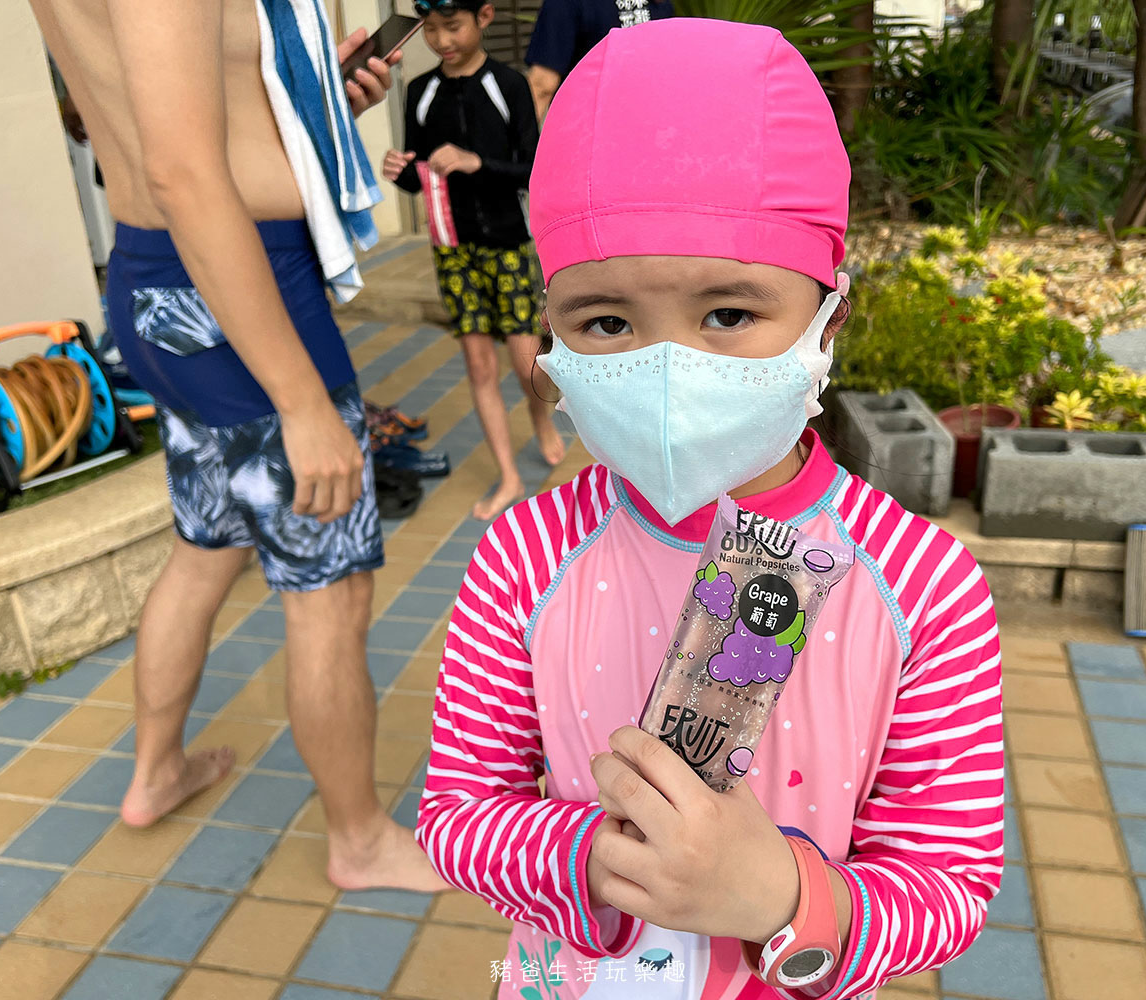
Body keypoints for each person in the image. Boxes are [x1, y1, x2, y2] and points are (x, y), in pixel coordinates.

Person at [415, 18, 1004, 998]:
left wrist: (780, 894)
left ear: (829, 320)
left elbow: (951, 882)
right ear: (549, 329)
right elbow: (457, 814)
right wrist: (591, 860)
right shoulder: (523, 557)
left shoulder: (923, 587)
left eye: (728, 314)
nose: (671, 368)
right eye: (606, 321)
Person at [27, 0, 446, 893]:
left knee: (206, 544)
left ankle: (155, 773)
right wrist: (301, 400)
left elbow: (174, 103)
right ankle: (360, 841)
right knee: (331, 591)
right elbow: (184, 171)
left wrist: (312, 88)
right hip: (234, 287)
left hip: (159, 279)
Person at [382, 0, 562, 521]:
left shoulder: (507, 85)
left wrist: (475, 162)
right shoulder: (421, 91)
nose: (441, 41)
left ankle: (543, 424)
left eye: (452, 26)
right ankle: (507, 474)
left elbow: (531, 170)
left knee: (524, 360)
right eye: (430, 31)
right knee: (479, 364)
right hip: (452, 249)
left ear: (483, 17)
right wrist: (399, 171)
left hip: (507, 244)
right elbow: (421, 176)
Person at [523, 0, 673, 120]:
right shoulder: (661, 5)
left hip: (590, 132)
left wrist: (522, 151)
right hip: (652, 128)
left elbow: (543, 85)